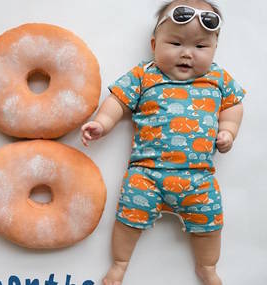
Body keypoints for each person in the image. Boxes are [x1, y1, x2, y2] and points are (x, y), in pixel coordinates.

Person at [81, 1, 245, 284]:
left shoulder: (218, 78)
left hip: (199, 177)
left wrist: (229, 131)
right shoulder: (144, 74)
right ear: (154, 43)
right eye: (175, 43)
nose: (186, 54)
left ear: (215, 49)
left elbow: (233, 106)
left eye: (200, 47)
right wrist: (103, 123)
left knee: (210, 224)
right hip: (145, 174)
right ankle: (119, 264)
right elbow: (117, 101)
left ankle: (207, 267)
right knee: (127, 220)